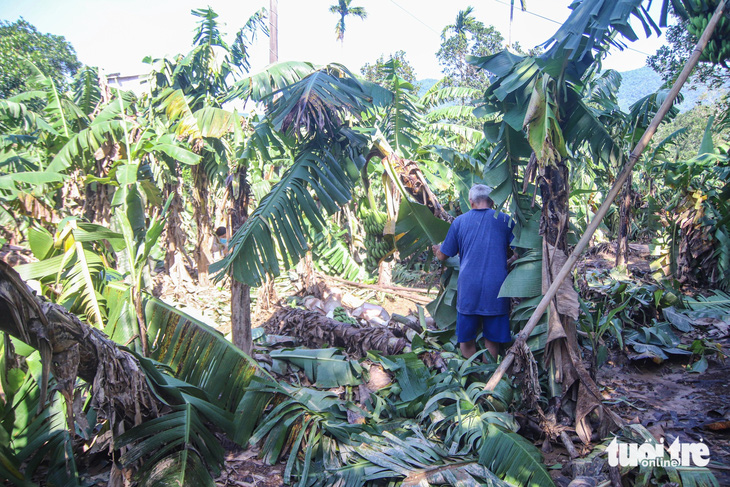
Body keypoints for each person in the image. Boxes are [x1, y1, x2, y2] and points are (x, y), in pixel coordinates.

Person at [432, 184, 516, 361]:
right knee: (492, 340)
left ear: (471, 203)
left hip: (468, 287)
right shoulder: (505, 220)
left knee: (466, 339)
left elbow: (443, 255)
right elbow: (519, 252)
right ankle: (488, 377)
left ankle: (474, 375)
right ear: (492, 202)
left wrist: (436, 249)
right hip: (497, 287)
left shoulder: (460, 222)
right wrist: (505, 263)